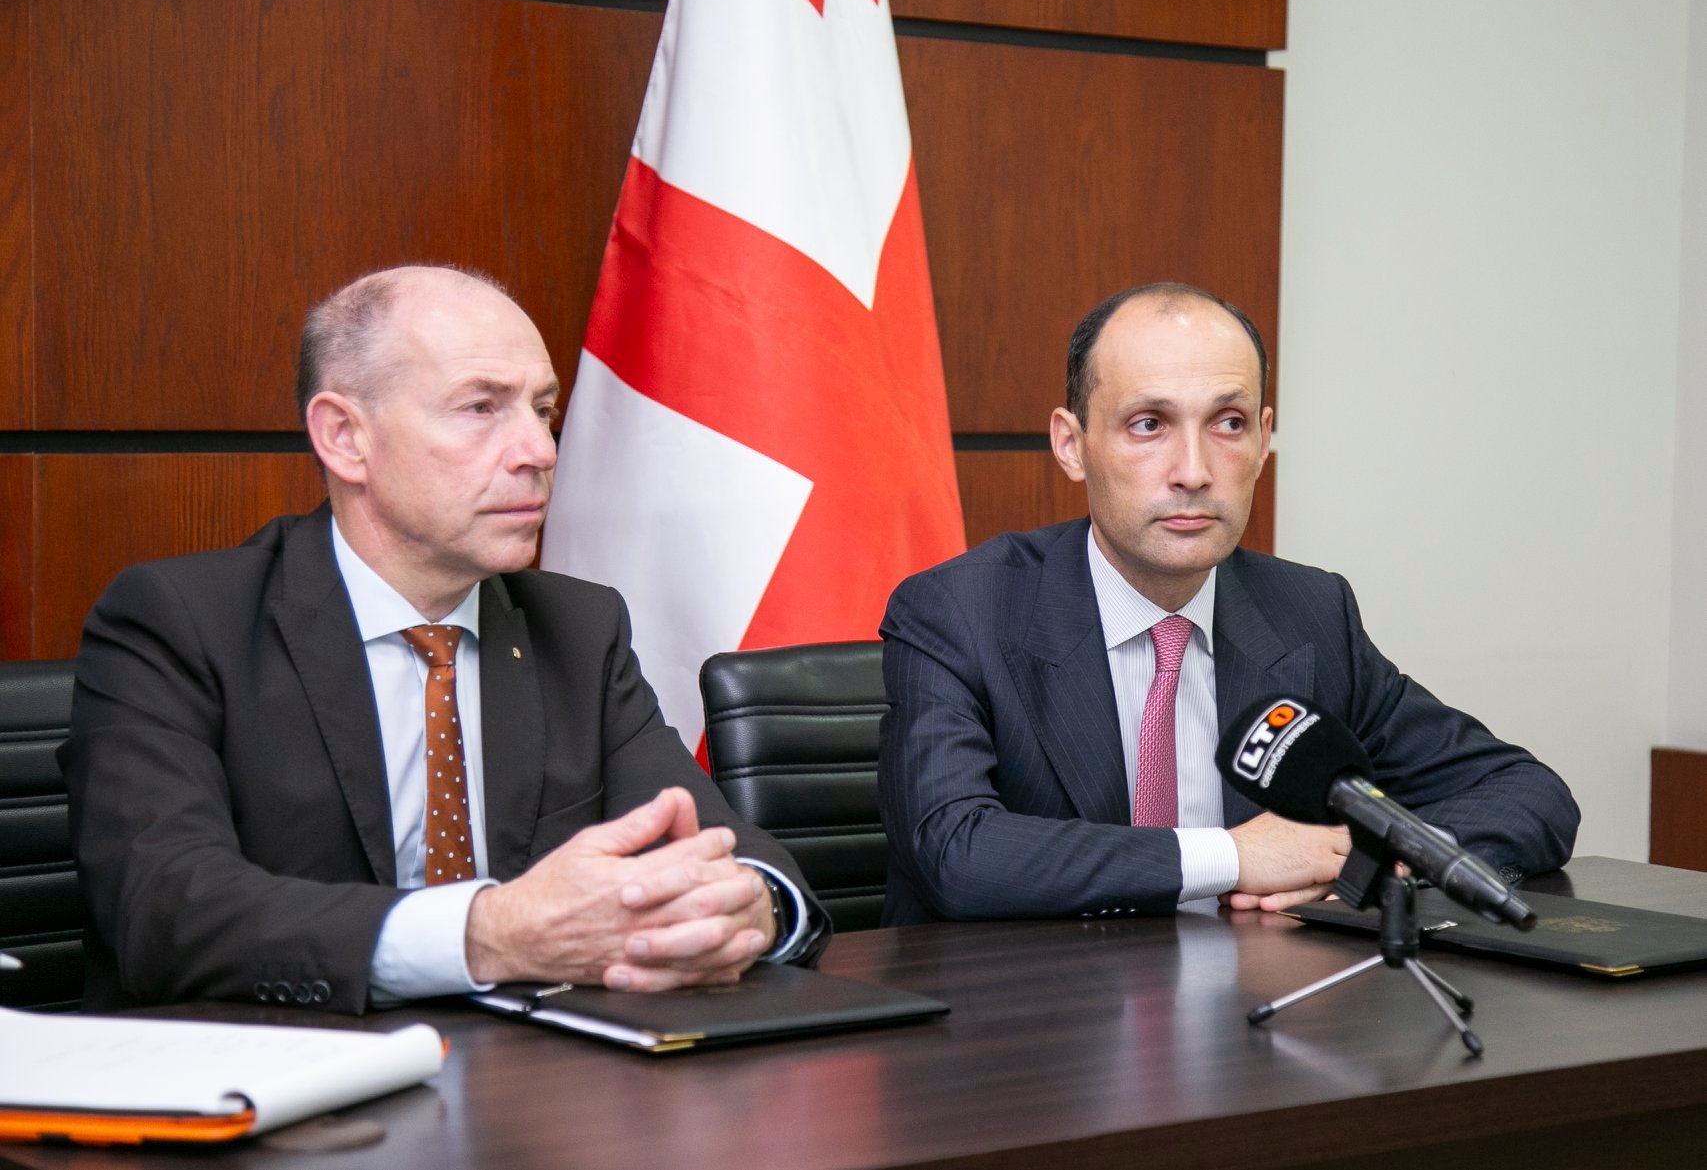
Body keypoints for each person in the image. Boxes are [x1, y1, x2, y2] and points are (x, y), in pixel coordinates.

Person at [62, 265, 826, 1013]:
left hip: (533, 1075)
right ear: (345, 437)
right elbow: (163, 908)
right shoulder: (180, 623)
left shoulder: (576, 629)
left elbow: (723, 849)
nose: (539, 450)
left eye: (542, 408)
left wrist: (750, 909)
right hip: (276, 1068)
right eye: (481, 407)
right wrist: (488, 933)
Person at [878, 282, 1579, 924]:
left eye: (1229, 422)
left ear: (1264, 438)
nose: (1193, 471)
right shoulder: (959, 611)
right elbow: (955, 852)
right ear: (1071, 444)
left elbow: (1527, 791)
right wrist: (1235, 855)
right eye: (1148, 424)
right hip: (1028, 1011)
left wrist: (1373, 866)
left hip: (1247, 1002)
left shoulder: (1310, 612)